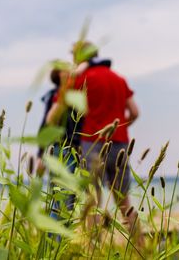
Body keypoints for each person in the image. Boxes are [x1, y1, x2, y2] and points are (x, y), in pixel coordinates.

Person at [46, 41, 140, 238]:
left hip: (92, 146)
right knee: (125, 202)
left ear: (80, 57)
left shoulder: (81, 80)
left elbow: (52, 118)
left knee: (93, 201)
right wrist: (117, 128)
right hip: (121, 145)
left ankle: (93, 250)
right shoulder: (118, 79)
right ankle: (140, 248)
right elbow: (134, 112)